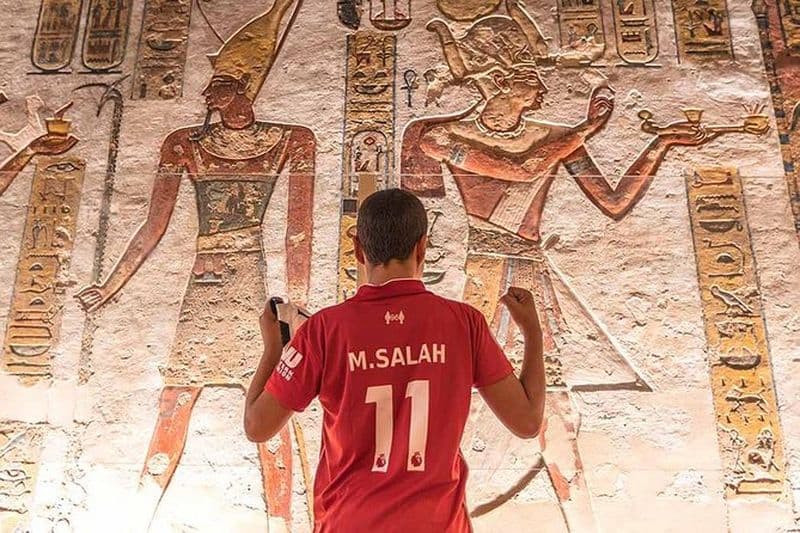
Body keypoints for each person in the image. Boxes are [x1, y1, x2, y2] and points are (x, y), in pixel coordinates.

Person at [75, 0, 314, 529]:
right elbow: (154, 225)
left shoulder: (293, 140)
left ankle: (283, 522)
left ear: (247, 89)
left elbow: (298, 231)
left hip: (250, 288)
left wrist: (297, 309)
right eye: (211, 84)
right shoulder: (183, 142)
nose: (207, 93)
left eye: (222, 83)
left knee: (271, 407)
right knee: (174, 397)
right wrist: (110, 288)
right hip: (203, 287)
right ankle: (138, 515)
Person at [245, 188, 546, 532]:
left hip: (349, 522)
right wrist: (532, 333)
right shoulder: (464, 323)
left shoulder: (324, 330)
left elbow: (257, 426)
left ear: (358, 249)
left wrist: (273, 349)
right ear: (423, 247)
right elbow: (527, 421)